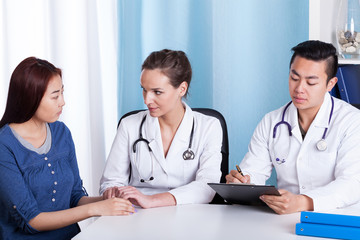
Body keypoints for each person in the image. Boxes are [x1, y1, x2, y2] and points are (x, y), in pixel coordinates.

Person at [0, 57, 135, 240]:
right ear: (30, 97)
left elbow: (74, 196)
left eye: (62, 93)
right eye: (55, 96)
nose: (62, 102)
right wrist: (95, 209)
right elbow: (31, 221)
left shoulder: (61, 132)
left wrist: (107, 201)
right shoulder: (4, 145)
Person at [226, 40, 360, 214]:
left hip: (335, 217)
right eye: (294, 78)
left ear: (331, 84)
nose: (299, 89)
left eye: (310, 82)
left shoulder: (351, 121)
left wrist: (304, 202)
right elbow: (253, 173)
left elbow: (352, 183)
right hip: (283, 218)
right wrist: (241, 183)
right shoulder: (271, 122)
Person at [100, 49, 222, 208]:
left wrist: (152, 200)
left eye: (157, 92)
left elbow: (207, 187)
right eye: (144, 89)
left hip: (189, 211)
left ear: (182, 89)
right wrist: (111, 190)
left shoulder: (209, 127)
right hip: (137, 213)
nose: (147, 100)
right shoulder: (130, 125)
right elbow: (111, 181)